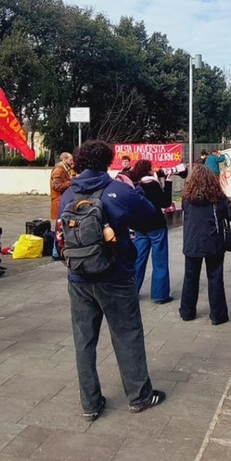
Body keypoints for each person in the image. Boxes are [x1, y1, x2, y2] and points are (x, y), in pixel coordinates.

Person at [58, 141, 166, 420]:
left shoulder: (68, 193)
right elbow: (151, 220)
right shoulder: (118, 190)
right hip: (115, 274)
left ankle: (90, 404)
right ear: (110, 161)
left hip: (78, 276)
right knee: (127, 334)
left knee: (84, 341)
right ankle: (139, 395)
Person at [178, 166, 231, 324]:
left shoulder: (187, 197)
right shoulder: (218, 197)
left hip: (192, 242)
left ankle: (187, 311)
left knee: (190, 277)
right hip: (213, 241)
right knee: (215, 277)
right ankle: (218, 315)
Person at [128, 159, 172, 304]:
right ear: (148, 170)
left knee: (138, 260)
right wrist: (168, 183)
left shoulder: (135, 185)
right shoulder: (152, 185)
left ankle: (132, 290)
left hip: (140, 227)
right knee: (159, 260)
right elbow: (165, 202)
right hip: (156, 226)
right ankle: (160, 294)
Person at [50, 152, 75, 221]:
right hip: (59, 202)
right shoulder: (59, 170)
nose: (72, 162)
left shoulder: (65, 169)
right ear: (65, 159)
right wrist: (71, 182)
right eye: (71, 160)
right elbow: (56, 186)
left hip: (61, 200)